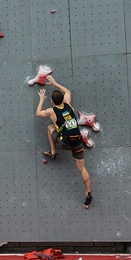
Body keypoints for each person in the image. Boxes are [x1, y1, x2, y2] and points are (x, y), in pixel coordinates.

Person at [35, 76, 92, 206]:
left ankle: (53, 151)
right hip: (77, 141)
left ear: (52, 102)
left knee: (50, 127)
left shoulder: (52, 111)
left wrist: (41, 100)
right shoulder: (68, 104)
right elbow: (68, 92)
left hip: (65, 143)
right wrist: (55, 83)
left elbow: (38, 113)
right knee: (82, 169)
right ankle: (88, 192)